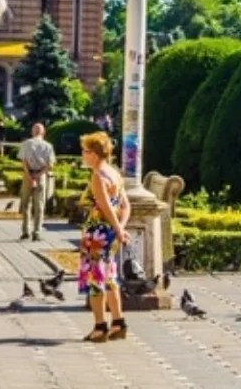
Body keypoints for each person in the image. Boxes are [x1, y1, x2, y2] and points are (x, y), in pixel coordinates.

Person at [77, 131, 130, 342]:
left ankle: (100, 326)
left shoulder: (98, 176)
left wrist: (118, 228)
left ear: (95, 154)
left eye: (85, 151)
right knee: (110, 277)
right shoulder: (114, 174)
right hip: (111, 233)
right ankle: (118, 322)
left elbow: (106, 206)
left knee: (95, 279)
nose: (83, 155)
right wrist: (120, 228)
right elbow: (125, 206)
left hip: (97, 233)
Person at [19, 123, 57, 242]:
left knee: (26, 204)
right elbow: (50, 165)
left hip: (27, 176)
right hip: (40, 177)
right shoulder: (48, 146)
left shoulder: (26, 144)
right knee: (39, 205)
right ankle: (37, 232)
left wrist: (29, 176)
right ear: (43, 133)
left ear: (32, 132)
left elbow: (24, 162)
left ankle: (26, 231)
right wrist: (38, 175)